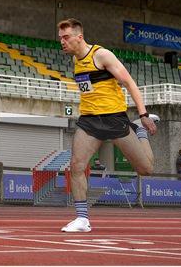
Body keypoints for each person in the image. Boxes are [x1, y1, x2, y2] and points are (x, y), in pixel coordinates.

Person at [58, 18, 159, 233]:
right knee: (76, 166)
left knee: (146, 170)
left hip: (114, 119)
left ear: (79, 37)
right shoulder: (76, 61)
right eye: (60, 38)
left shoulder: (101, 55)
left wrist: (143, 115)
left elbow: (129, 83)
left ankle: (140, 133)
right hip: (89, 121)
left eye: (66, 37)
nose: (62, 42)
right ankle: (82, 219)